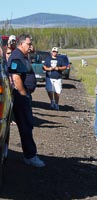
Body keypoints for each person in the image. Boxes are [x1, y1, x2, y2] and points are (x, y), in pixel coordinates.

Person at [7, 33, 45, 167]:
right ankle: (30, 156)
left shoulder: (22, 55)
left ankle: (30, 154)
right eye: (28, 44)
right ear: (21, 44)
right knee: (25, 126)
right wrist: (24, 94)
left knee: (27, 125)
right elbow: (16, 78)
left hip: (23, 96)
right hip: (21, 97)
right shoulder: (17, 56)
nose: (30, 47)